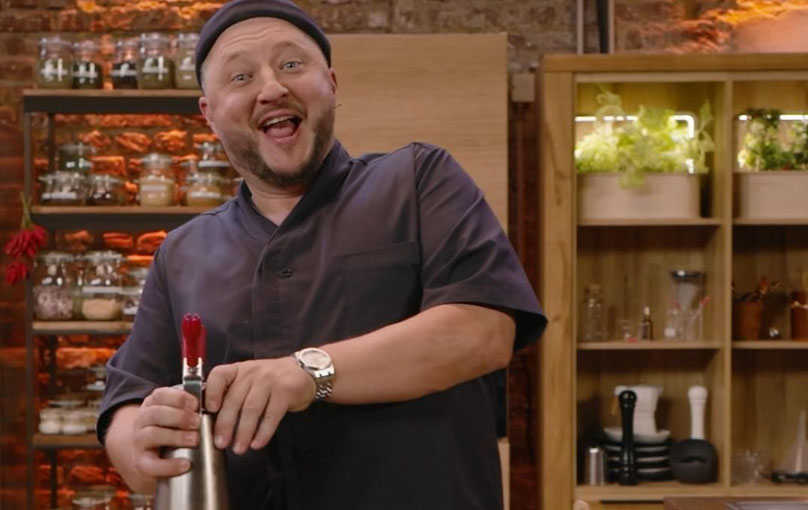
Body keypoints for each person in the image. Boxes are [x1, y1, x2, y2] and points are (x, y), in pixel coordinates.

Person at [97, 1, 546, 508]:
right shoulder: (182, 253)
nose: (271, 88)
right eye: (241, 77)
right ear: (209, 115)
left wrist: (307, 373)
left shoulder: (419, 181)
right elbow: (126, 406)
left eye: (291, 64)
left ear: (331, 84)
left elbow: (483, 331)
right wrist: (142, 442)